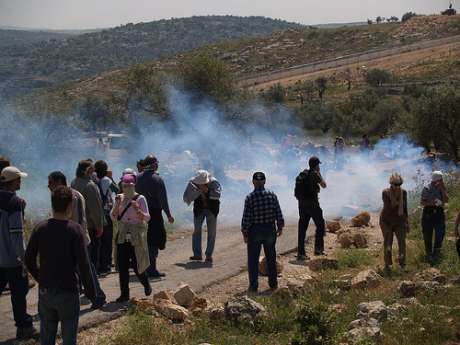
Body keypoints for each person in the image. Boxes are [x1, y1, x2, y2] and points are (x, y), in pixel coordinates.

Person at [25, 186, 96, 345]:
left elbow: (28, 259)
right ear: (70, 205)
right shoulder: (75, 230)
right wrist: (91, 292)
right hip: (68, 290)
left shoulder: (40, 227)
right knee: (69, 335)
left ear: (52, 204)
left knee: (47, 333)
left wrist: (40, 277)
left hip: (46, 290)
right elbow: (84, 265)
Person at [48, 171, 106, 309]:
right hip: (66, 241)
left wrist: (74, 240)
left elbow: (79, 221)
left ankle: (98, 296)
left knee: (86, 269)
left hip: (78, 241)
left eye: (50, 182)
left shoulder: (74, 196)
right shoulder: (57, 196)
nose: (48, 185)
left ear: (58, 182)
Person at [0, 166, 37, 339]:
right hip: (12, 259)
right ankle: (24, 327)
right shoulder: (14, 203)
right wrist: (24, 260)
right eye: (18, 179)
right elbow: (16, 235)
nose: (20, 181)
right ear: (12, 181)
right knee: (19, 293)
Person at [111, 174, 152, 302]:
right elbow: (113, 216)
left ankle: (146, 284)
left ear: (134, 185)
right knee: (122, 266)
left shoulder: (140, 198)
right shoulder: (119, 198)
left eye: (129, 186)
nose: (127, 188)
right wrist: (117, 204)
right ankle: (124, 294)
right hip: (123, 235)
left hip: (136, 235)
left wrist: (138, 209)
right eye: (125, 186)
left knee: (137, 264)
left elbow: (146, 218)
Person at [241, 172, 284, 293]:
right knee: (271, 257)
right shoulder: (272, 195)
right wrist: (280, 227)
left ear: (253, 182)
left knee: (253, 260)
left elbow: (247, 218)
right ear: (264, 181)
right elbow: (278, 213)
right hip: (270, 229)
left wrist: (245, 232)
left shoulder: (250, 197)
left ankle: (253, 286)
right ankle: (273, 284)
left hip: (255, 230)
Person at [136, 155, 174, 278]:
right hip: (154, 214)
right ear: (154, 165)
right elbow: (163, 200)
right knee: (154, 241)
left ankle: (143, 268)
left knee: (143, 241)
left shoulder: (137, 178)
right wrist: (168, 215)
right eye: (156, 163)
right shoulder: (157, 179)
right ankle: (151, 269)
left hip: (139, 213)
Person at [71, 160, 104, 269]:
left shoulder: (73, 183)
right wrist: (99, 226)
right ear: (88, 171)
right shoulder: (90, 186)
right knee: (91, 256)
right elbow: (95, 208)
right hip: (90, 226)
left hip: (75, 224)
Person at [183, 170, 221, 263]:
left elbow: (218, 195)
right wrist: (196, 192)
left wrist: (207, 191)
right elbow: (186, 198)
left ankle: (208, 255)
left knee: (211, 233)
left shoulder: (214, 183)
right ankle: (197, 254)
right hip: (199, 209)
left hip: (212, 210)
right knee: (196, 231)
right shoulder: (192, 183)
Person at [295, 156, 327, 260]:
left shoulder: (303, 174)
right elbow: (324, 185)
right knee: (320, 225)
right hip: (312, 204)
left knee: (302, 228)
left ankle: (301, 253)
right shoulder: (314, 174)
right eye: (318, 165)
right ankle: (318, 249)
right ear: (316, 165)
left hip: (302, 204)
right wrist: (319, 174)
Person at [379, 173, 409, 274]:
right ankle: (387, 265)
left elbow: (405, 209)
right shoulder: (385, 193)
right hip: (386, 221)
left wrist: (407, 222)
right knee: (388, 243)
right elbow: (389, 208)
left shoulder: (403, 193)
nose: (397, 187)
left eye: (399, 184)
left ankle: (402, 264)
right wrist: (396, 200)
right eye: (395, 184)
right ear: (391, 184)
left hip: (399, 220)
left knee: (402, 243)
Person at [94, 160, 119, 274]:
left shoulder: (93, 179)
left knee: (98, 240)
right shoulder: (106, 180)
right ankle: (106, 265)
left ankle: (98, 264)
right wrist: (111, 177)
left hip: (95, 213)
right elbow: (118, 191)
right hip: (106, 213)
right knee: (107, 240)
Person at [421, 171, 449, 262]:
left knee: (440, 233)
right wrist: (433, 203)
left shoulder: (442, 188)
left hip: (439, 213)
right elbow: (422, 202)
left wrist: (443, 190)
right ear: (436, 180)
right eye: (441, 180)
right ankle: (429, 254)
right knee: (427, 234)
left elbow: (446, 200)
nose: (442, 181)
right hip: (428, 213)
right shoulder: (427, 188)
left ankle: (437, 252)